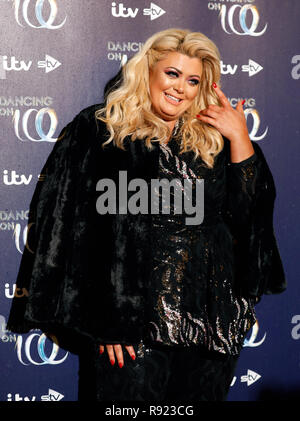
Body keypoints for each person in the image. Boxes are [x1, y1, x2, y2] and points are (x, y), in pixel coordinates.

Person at [7, 28, 286, 401]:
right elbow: (67, 228)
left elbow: (251, 221)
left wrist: (241, 141)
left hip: (211, 327)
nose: (180, 88)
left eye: (193, 80)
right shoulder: (100, 129)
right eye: (172, 74)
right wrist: (105, 319)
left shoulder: (215, 138)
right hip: (133, 328)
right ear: (148, 71)